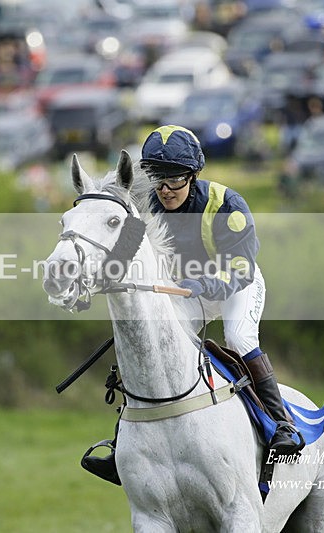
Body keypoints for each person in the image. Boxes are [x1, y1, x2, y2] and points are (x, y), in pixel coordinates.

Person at [82, 125, 301, 484]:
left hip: (234, 285)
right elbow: (121, 257)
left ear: (193, 175)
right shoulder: (146, 206)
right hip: (185, 290)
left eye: (174, 181)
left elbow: (241, 272)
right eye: (158, 181)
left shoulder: (228, 205)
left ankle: (280, 425)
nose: (165, 190)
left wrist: (201, 284)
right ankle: (123, 443)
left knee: (239, 337)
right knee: (151, 340)